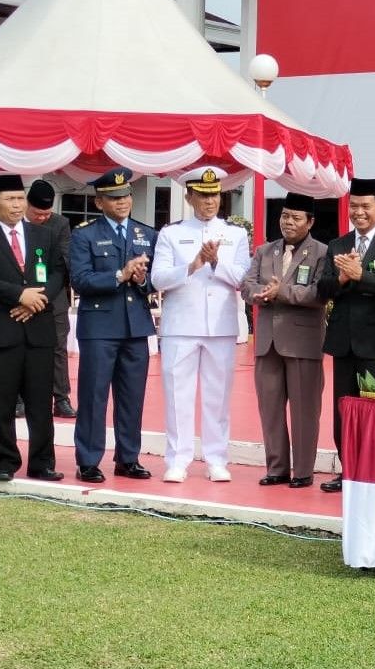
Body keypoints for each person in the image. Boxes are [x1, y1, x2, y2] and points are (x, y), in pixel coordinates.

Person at [151, 166, 251, 483]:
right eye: (204, 195)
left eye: (215, 195)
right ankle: (177, 459)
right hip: (181, 324)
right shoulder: (171, 233)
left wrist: (217, 263)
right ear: (189, 196)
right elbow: (158, 279)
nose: (210, 201)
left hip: (220, 325)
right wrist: (192, 264)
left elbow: (243, 279)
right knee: (177, 395)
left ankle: (216, 458)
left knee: (217, 396)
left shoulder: (235, 234)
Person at [317, 178, 375, 493]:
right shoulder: (338, 244)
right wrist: (341, 278)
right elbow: (322, 289)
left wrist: (362, 276)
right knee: (345, 410)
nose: (359, 212)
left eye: (365, 206)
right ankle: (348, 471)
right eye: (353, 206)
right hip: (344, 341)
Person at [69, 167, 157, 483]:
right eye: (113, 198)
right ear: (99, 202)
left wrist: (142, 278)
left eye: (125, 196)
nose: (121, 203)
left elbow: (153, 283)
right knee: (94, 396)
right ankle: (89, 460)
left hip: (135, 327)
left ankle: (128, 458)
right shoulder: (84, 234)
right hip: (100, 328)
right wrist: (120, 275)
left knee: (132, 396)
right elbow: (80, 279)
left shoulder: (146, 234)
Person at [241, 192, 328, 489]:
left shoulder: (322, 253)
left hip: (303, 340)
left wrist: (282, 293)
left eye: (295, 218)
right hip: (267, 341)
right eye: (284, 216)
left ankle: (303, 471)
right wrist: (260, 294)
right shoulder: (265, 251)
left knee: (305, 410)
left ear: (310, 221)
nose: (288, 222)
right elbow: (247, 285)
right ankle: (276, 467)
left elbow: (319, 293)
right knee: (270, 408)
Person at [0, 174, 66, 482]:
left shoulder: (42, 234)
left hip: (38, 329)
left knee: (40, 403)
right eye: (9, 199)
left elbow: (58, 272)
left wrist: (37, 299)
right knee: (0, 402)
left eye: (20, 198)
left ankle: (42, 462)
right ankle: (4, 462)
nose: (17, 205)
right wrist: (19, 295)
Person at [25, 179, 76, 418]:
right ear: (27, 205)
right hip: (18, 297)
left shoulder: (60, 224)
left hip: (52, 296)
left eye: (47, 213)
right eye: (38, 213)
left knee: (58, 347)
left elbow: (63, 264)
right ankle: (18, 398)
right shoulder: (11, 224)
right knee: (18, 348)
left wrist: (42, 296)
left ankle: (61, 398)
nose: (43, 218)